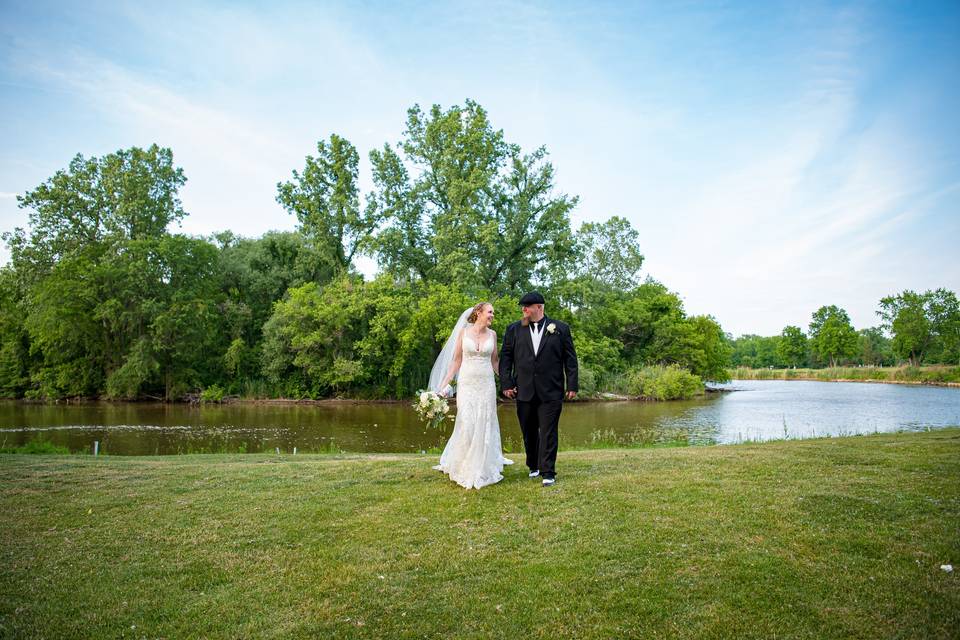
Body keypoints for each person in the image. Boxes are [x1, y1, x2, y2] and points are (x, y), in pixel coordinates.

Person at [429, 302, 513, 489]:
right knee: (467, 422)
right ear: (479, 313)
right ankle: (464, 463)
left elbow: (495, 362)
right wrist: (442, 386)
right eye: (490, 312)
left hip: (486, 385)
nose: (493, 315)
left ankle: (482, 465)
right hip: (467, 384)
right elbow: (456, 361)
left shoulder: (492, 335)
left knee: (485, 421)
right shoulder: (463, 333)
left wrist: (509, 382)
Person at [499, 292, 578, 486]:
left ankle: (548, 471)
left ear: (539, 307)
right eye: (522, 306)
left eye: (527, 306)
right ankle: (533, 465)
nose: (523, 309)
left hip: (551, 390)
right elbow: (506, 359)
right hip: (524, 389)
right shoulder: (514, 330)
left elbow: (570, 359)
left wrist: (572, 385)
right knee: (529, 431)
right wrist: (507, 384)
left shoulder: (560, 328)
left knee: (548, 431)